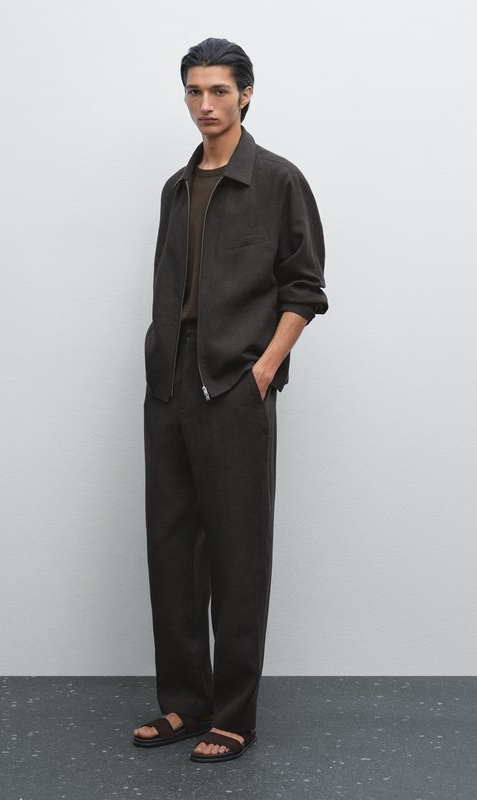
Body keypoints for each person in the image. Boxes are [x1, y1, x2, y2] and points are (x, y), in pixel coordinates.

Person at [133, 37, 328, 763]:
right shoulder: (176, 188)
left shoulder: (277, 180)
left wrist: (263, 369)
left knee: (238, 552)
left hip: (236, 381)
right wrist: (160, 361)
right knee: (171, 548)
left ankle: (235, 715)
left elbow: (305, 288)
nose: (205, 104)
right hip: (170, 379)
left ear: (245, 94)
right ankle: (185, 703)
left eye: (219, 90)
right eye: (194, 91)